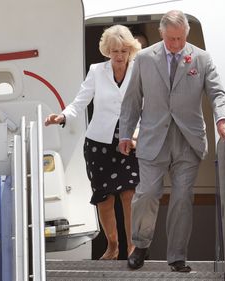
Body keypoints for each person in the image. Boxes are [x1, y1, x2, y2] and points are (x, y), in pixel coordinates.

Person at [118, 10, 225, 272]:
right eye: (171, 39)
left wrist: (222, 119)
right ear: (161, 34)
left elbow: (217, 92)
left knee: (182, 198)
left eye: (181, 39)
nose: (176, 44)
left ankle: (177, 256)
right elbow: (132, 100)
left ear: (186, 34)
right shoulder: (145, 59)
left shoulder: (201, 58)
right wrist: (125, 133)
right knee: (146, 193)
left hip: (187, 139)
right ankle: (141, 245)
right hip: (152, 138)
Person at [45, 25, 141, 260]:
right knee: (104, 198)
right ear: (108, 51)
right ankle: (112, 246)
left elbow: (144, 106)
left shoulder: (139, 70)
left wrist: (138, 134)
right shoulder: (97, 71)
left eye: (123, 51)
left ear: (130, 50)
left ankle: (132, 247)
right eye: (115, 51)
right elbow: (81, 101)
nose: (119, 56)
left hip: (129, 141)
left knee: (129, 194)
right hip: (99, 143)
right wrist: (63, 116)